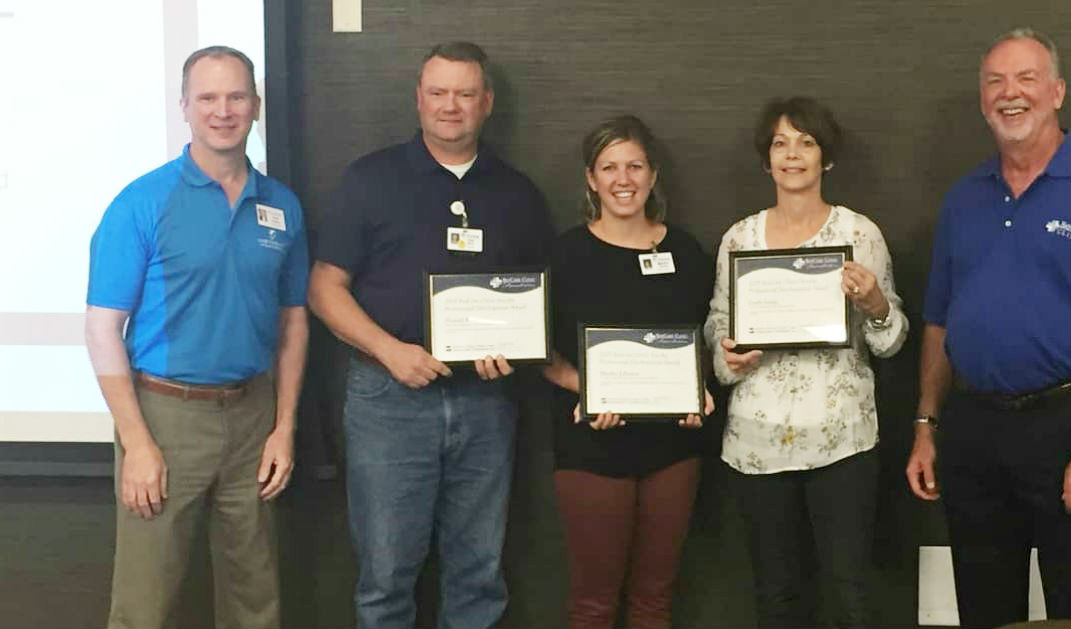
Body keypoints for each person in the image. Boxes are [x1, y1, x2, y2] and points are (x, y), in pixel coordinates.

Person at [905, 28, 1071, 627]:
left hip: (1068, 429)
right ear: (982, 99)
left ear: (1057, 92)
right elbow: (939, 321)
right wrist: (926, 424)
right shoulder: (964, 199)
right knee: (984, 608)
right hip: (972, 433)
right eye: (995, 82)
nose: (1009, 94)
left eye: (1026, 79)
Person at [307, 42, 553, 628]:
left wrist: (513, 353)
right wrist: (390, 352)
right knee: (387, 577)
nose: (451, 106)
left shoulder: (517, 193)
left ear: (486, 103)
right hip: (388, 402)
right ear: (418, 99)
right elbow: (323, 289)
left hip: (486, 403)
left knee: (478, 573)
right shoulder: (371, 179)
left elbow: (536, 300)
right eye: (438, 92)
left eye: (465, 93)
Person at [85, 45, 309, 628]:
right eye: (207, 97)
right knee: (144, 603)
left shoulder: (282, 206)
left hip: (253, 418)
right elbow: (103, 328)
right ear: (185, 107)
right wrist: (137, 443)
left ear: (256, 106)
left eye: (236, 96)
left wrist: (284, 428)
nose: (223, 110)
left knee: (255, 600)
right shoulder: (141, 203)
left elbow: (293, 322)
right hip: (164, 417)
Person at [704, 96, 908, 627]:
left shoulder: (859, 235)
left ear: (827, 159)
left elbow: (891, 343)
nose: (792, 155)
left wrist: (877, 306)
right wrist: (728, 354)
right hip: (757, 442)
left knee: (850, 593)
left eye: (806, 142)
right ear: (766, 159)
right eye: (780, 143)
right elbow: (717, 336)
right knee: (776, 596)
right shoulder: (739, 238)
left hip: (843, 442)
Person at [541, 115, 714, 628]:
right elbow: (539, 353)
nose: (624, 179)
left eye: (635, 165)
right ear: (591, 179)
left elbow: (703, 339)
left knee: (655, 600)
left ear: (653, 175)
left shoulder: (684, 252)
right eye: (609, 167)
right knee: (594, 603)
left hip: (673, 447)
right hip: (591, 444)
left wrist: (698, 392)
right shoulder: (565, 253)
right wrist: (589, 390)